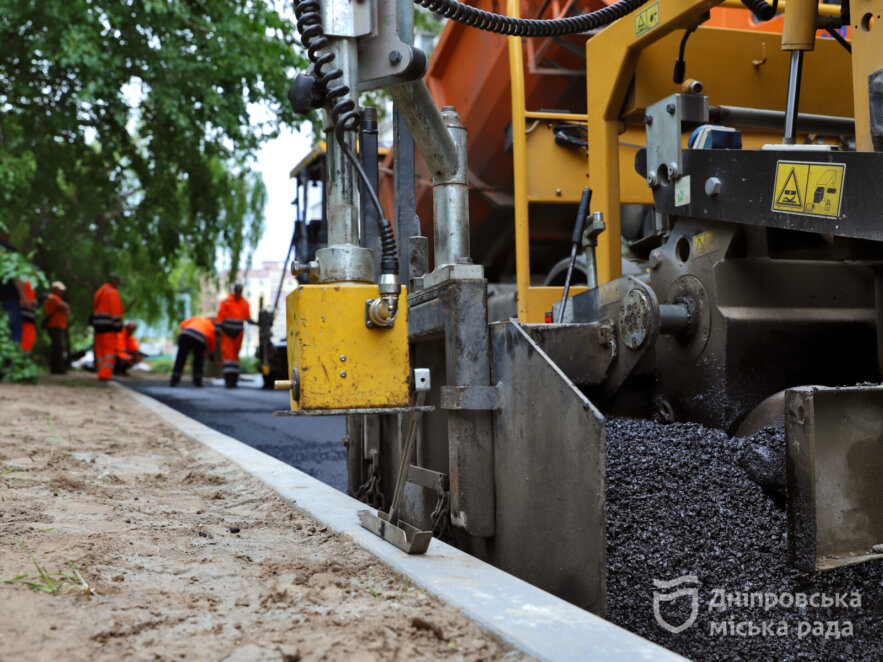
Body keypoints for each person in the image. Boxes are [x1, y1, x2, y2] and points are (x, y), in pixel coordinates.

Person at [216, 282, 255, 388]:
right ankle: (229, 380)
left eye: (240, 291)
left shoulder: (244, 304)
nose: (238, 293)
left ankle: (234, 379)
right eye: (237, 291)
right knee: (228, 357)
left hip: (238, 334)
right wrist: (217, 330)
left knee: (235, 357)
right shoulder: (226, 302)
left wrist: (256, 323)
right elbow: (220, 317)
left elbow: (247, 318)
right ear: (234, 291)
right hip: (227, 333)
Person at [92, 275, 124, 381]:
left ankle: (101, 372)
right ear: (115, 283)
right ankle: (105, 375)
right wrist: (118, 325)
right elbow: (115, 310)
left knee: (101, 352)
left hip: (98, 327)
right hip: (109, 327)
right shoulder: (112, 292)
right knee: (109, 352)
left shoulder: (99, 292)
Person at [0, 232, 30, 343]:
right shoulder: (10, 251)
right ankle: (11, 358)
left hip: (9, 297)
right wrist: (25, 298)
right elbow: (16, 277)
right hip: (9, 296)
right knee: (15, 329)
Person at [170, 316, 217, 387]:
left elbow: (183, 324)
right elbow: (211, 340)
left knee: (181, 358)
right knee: (198, 360)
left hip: (186, 335)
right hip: (200, 339)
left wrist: (184, 331)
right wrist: (211, 353)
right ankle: (197, 381)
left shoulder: (197, 318)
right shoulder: (211, 326)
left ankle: (174, 379)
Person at [44, 281, 69, 374]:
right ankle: (57, 369)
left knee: (57, 347)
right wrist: (66, 308)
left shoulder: (55, 298)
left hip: (58, 326)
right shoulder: (53, 298)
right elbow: (65, 307)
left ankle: (56, 368)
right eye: (60, 290)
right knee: (58, 347)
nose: (61, 292)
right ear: (55, 290)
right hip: (55, 326)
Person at [19, 281, 36, 356]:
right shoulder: (22, 278)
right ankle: (21, 356)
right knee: (25, 333)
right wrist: (25, 300)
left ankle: (25, 356)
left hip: (30, 311)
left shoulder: (32, 281)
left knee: (30, 334)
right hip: (23, 309)